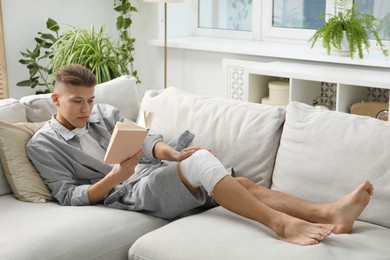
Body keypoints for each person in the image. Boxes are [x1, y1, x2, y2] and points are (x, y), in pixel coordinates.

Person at [26, 64, 374, 246]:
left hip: (152, 172)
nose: (87, 108)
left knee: (232, 181)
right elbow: (69, 195)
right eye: (77, 101)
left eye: (90, 100)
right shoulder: (42, 145)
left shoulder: (104, 113)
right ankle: (282, 225)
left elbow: (146, 141)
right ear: (55, 99)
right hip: (125, 193)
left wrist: (173, 154)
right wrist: (117, 175)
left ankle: (328, 213)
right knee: (204, 165)